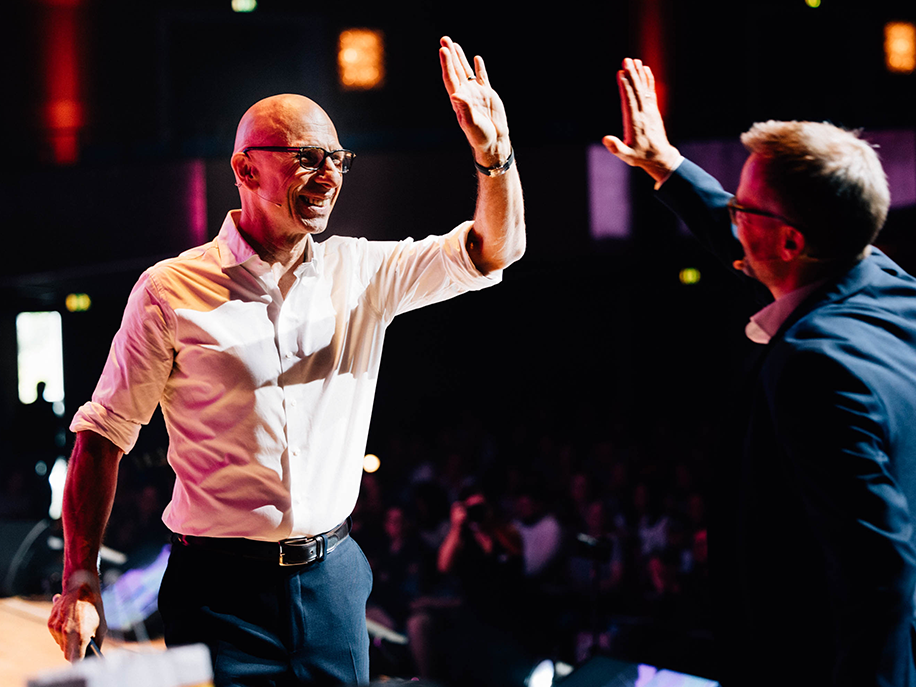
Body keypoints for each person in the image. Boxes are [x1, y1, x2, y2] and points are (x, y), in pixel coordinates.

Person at [47, 35, 524, 686]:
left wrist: (495, 159)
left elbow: (497, 249)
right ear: (245, 171)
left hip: (333, 580)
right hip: (217, 592)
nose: (329, 176)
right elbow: (101, 437)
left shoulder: (362, 271)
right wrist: (80, 579)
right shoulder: (170, 290)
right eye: (307, 158)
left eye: (337, 158)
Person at [603, 58, 916, 686]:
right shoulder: (882, 276)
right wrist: (665, 163)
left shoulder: (818, 369)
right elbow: (754, 239)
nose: (733, 217)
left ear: (794, 243)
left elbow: (878, 576)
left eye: (743, 207)